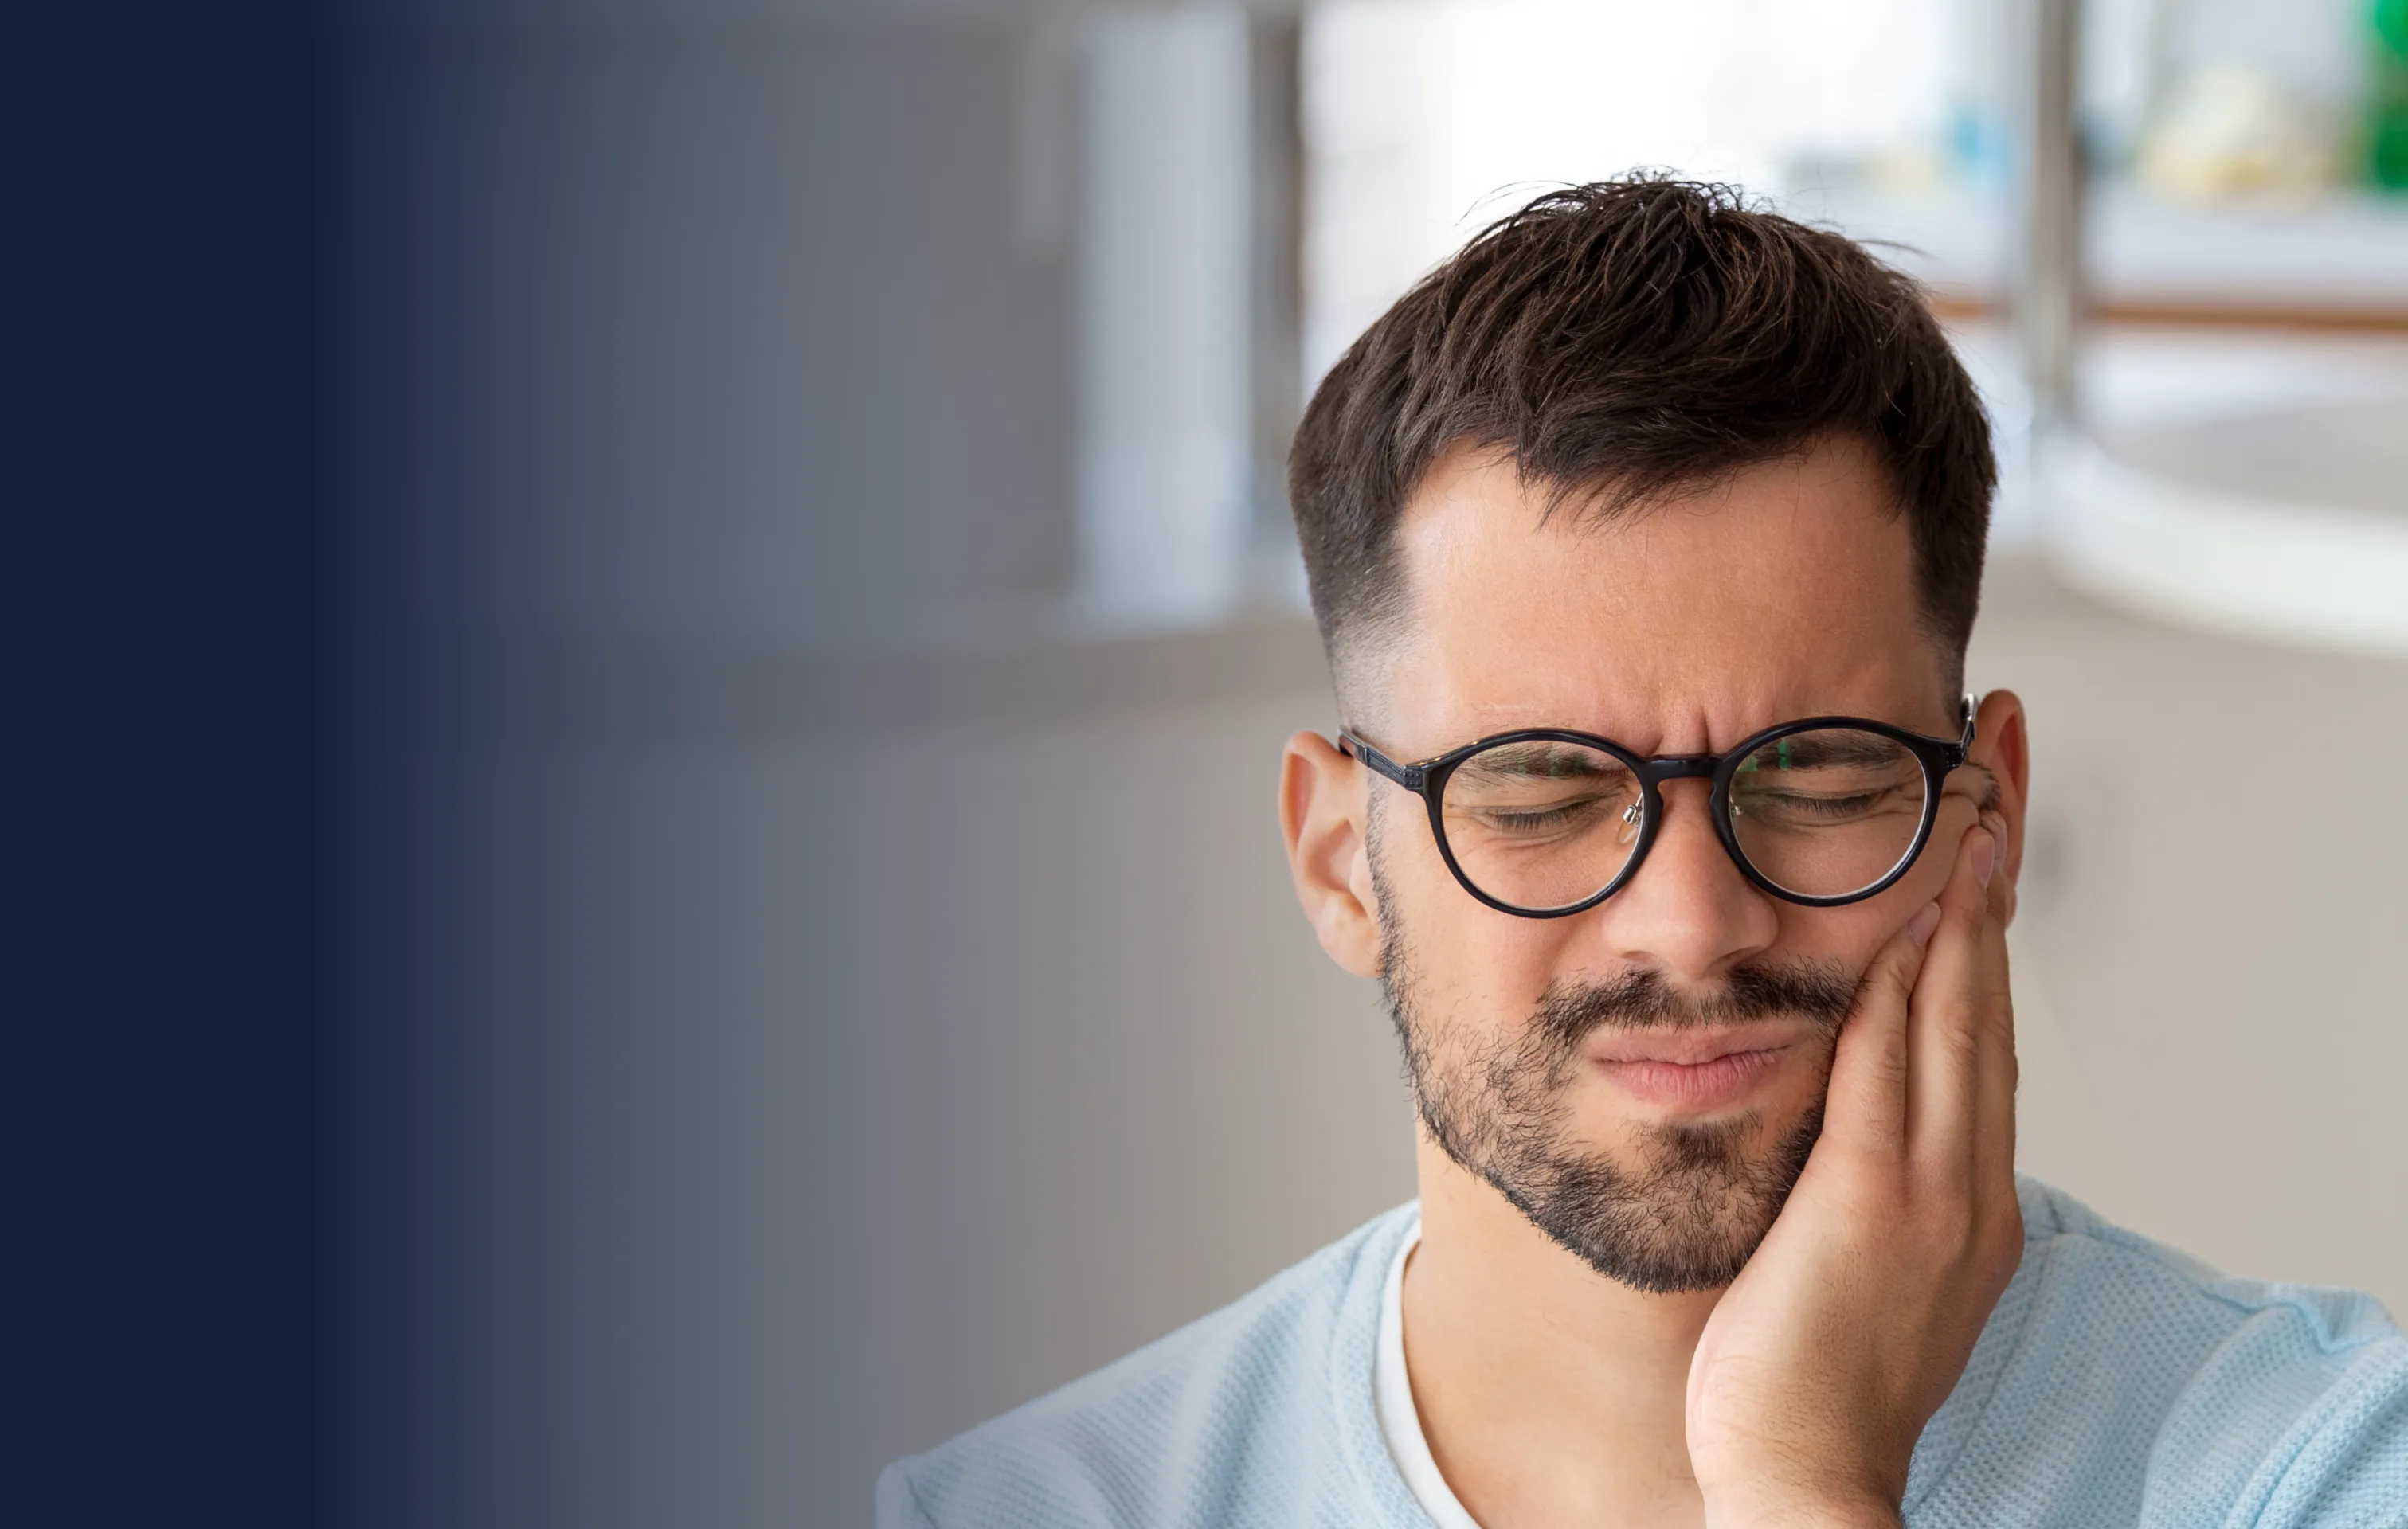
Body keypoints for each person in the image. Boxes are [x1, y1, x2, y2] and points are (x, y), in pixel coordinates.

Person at [879, 177, 2408, 1528]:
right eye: (1540, 788)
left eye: (1812, 771)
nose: (1690, 923)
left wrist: (1801, 1480)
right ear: (1345, 863)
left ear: (1982, 815)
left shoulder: (2325, 1470)